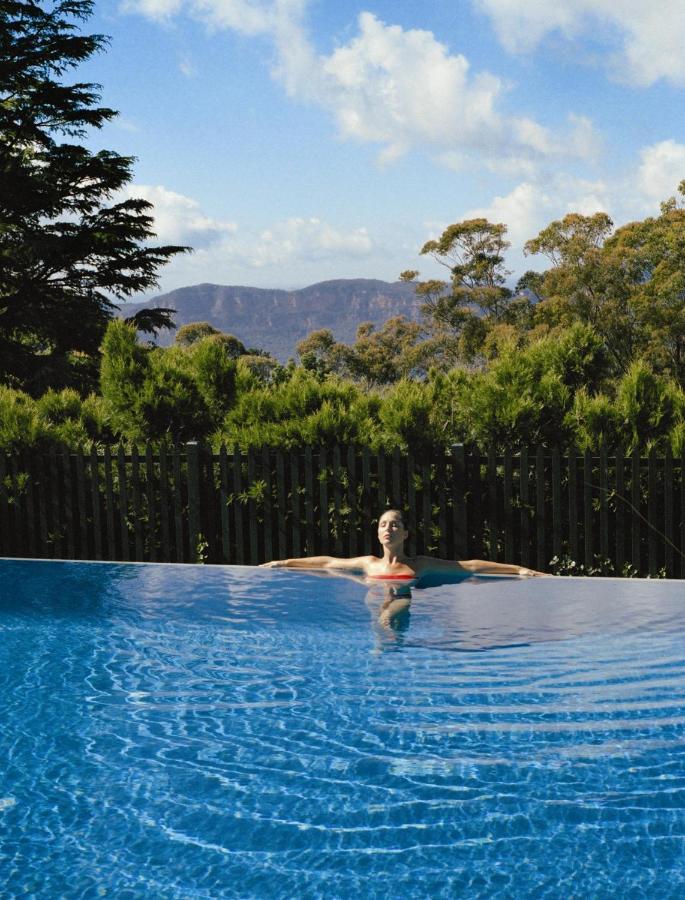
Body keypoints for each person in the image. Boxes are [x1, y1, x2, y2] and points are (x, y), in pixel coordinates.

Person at [259, 509, 548, 578]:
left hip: (400, 601)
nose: (388, 528)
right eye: (383, 524)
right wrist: (284, 563)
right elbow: (326, 563)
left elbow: (469, 567)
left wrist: (517, 569)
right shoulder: (368, 564)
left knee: (395, 606)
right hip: (375, 602)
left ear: (406, 534)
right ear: (378, 534)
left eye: (395, 524)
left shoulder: (419, 565)